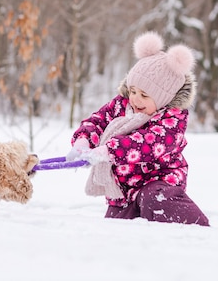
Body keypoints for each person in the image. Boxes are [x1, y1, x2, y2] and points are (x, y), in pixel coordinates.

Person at [66, 31, 209, 226]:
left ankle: (195, 227)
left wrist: (109, 151)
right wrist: (83, 141)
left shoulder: (172, 119)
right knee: (117, 226)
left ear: (163, 98)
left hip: (159, 182)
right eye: (133, 91)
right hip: (124, 190)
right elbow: (98, 121)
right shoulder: (122, 106)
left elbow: (149, 143)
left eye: (145, 95)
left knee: (153, 198)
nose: (135, 99)